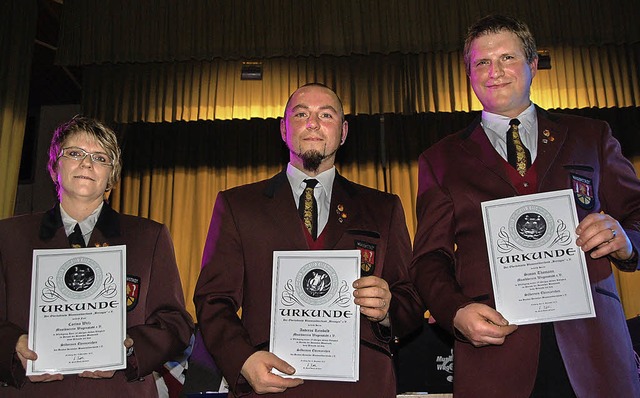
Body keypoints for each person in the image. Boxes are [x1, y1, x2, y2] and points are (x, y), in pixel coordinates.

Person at [410, 14, 640, 398]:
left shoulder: (590, 136)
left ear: (533, 65)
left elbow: (636, 215)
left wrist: (628, 240)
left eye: (507, 58)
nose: (494, 71)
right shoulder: (441, 159)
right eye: (482, 62)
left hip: (595, 352)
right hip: (496, 358)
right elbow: (428, 259)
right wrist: (455, 311)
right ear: (469, 75)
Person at [194, 83, 423, 397]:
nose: (313, 123)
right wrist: (243, 360)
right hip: (272, 385)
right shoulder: (238, 206)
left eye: (325, 115)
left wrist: (388, 309)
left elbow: (410, 297)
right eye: (301, 114)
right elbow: (213, 300)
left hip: (362, 385)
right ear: (284, 129)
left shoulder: (383, 209)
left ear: (343, 132)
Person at [0, 116, 194, 397]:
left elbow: (176, 323)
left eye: (100, 158)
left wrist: (129, 349)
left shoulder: (148, 236)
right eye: (75, 153)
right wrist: (12, 346)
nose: (87, 163)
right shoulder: (9, 236)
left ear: (111, 176)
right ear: (55, 167)